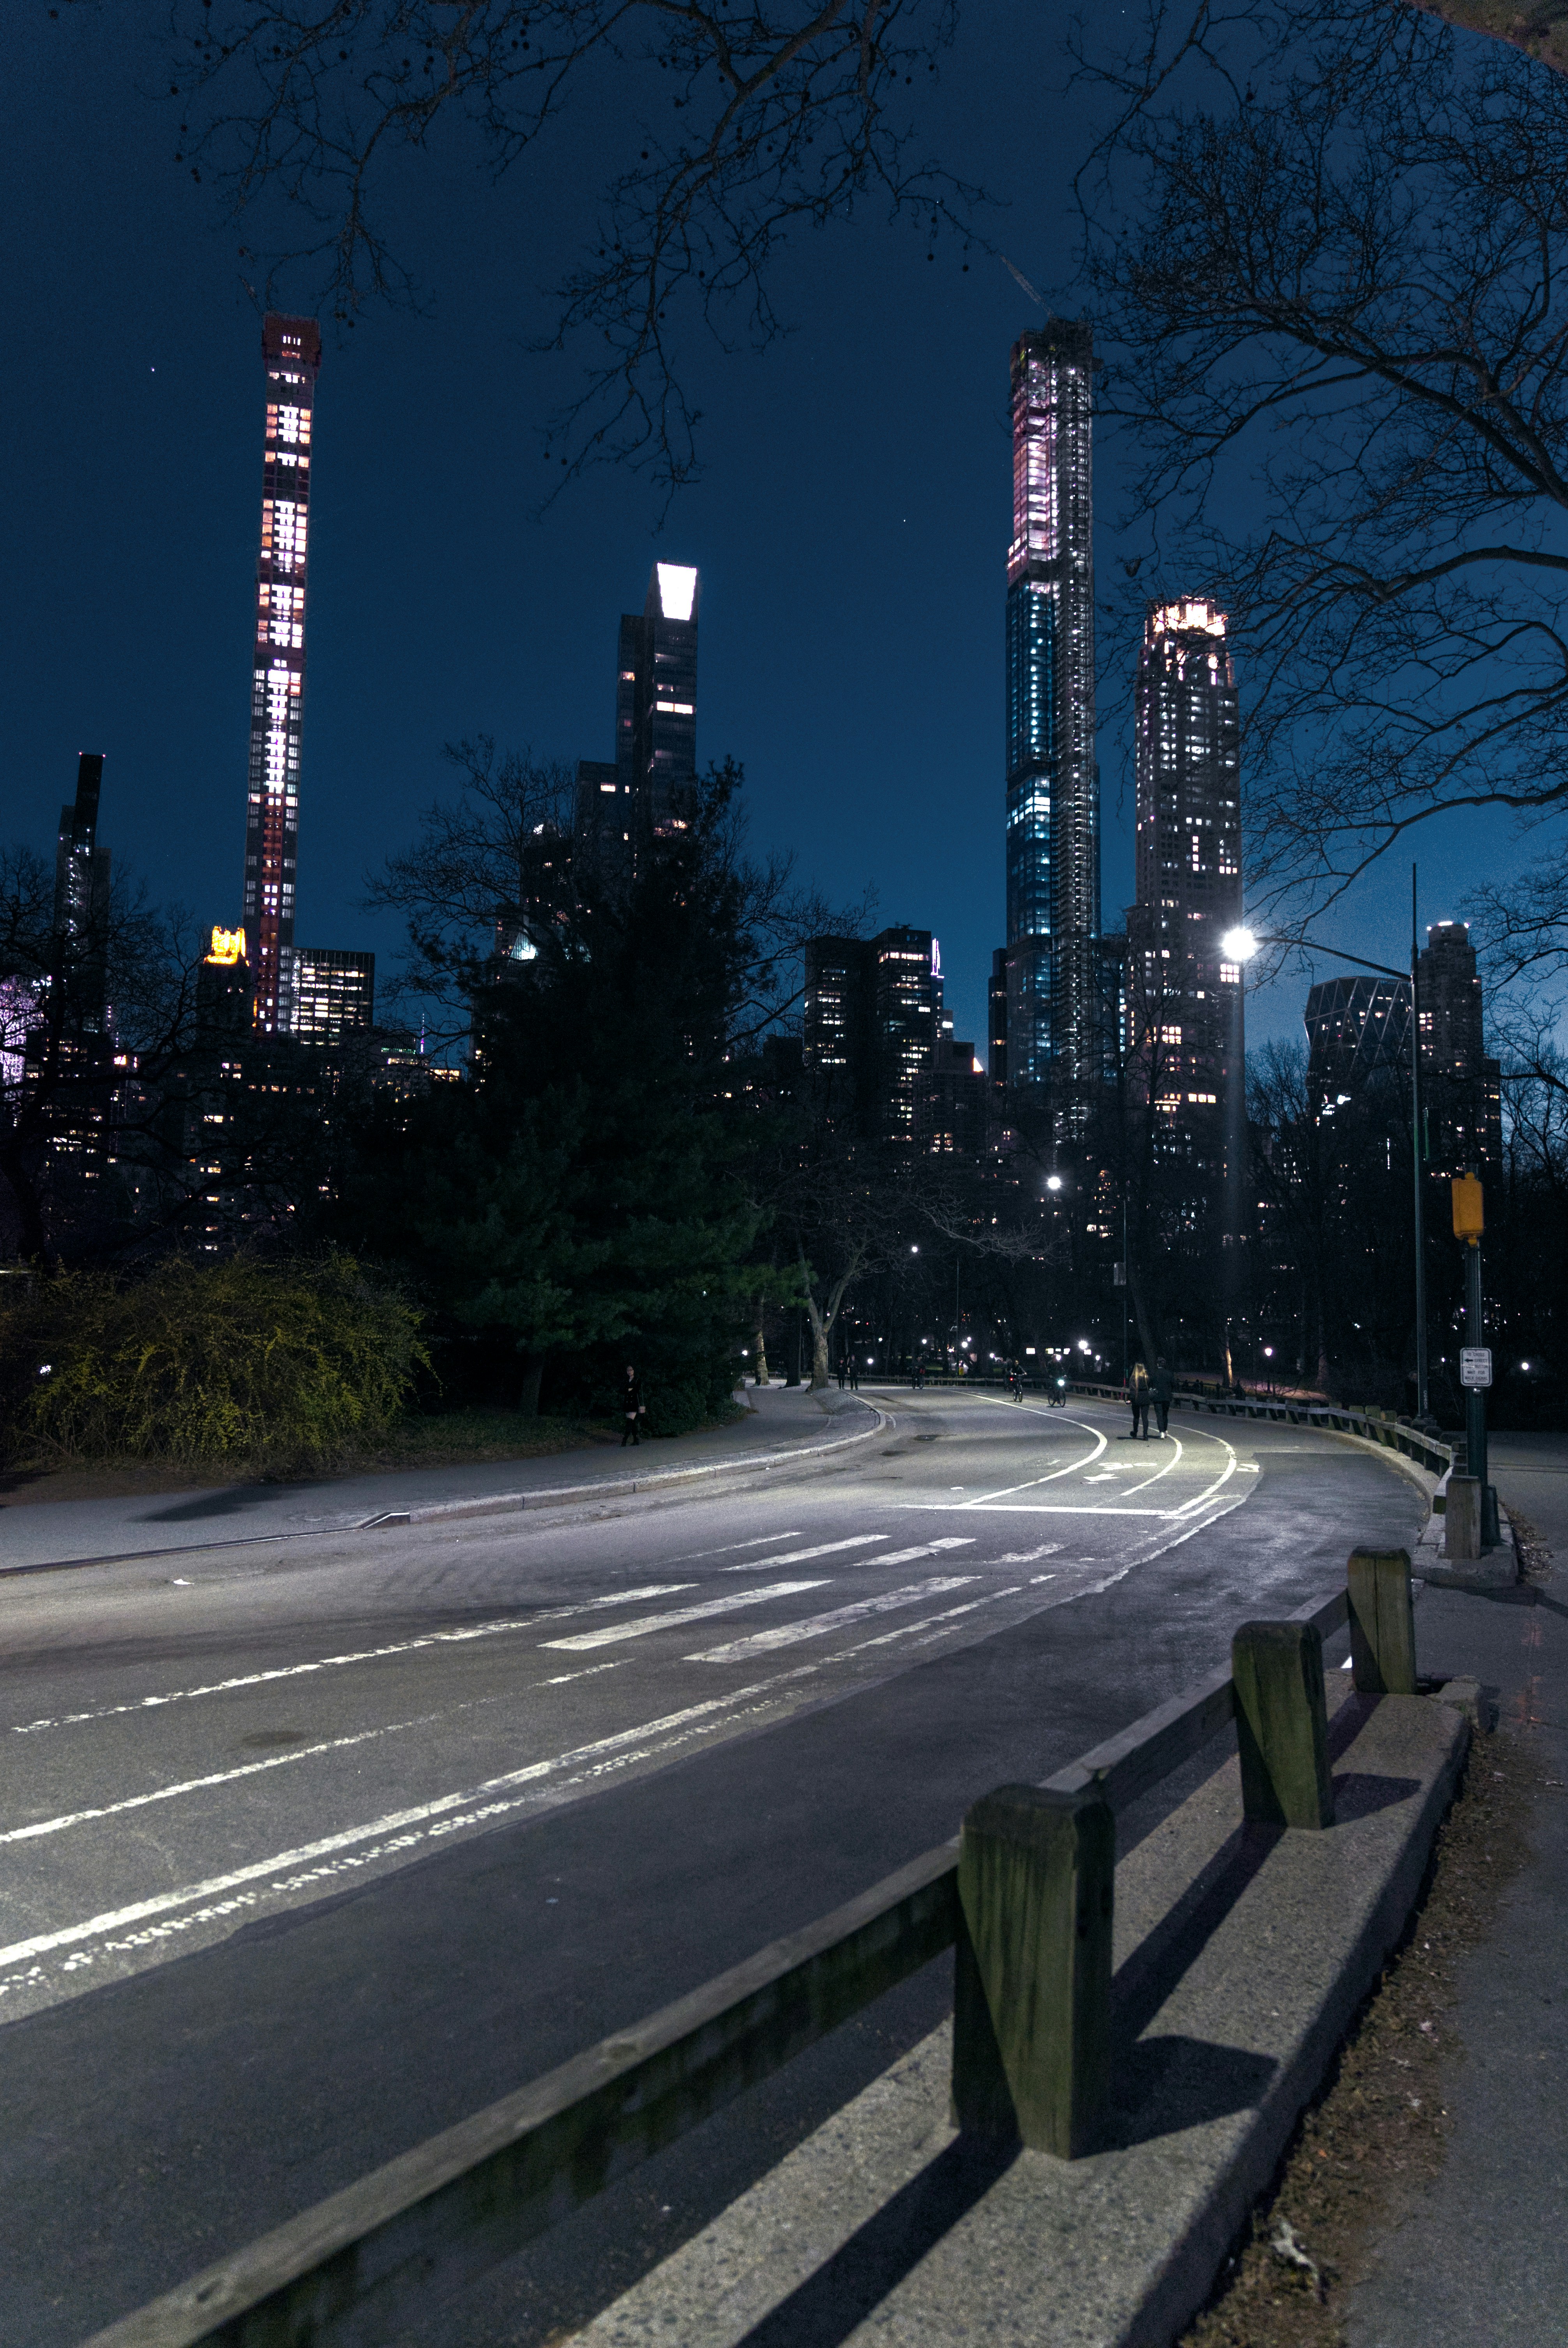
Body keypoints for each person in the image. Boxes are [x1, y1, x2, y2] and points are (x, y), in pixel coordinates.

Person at [619, 1364, 645, 1445]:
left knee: (629, 1421)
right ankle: (636, 1440)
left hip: (634, 1404)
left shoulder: (637, 1380)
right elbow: (622, 1390)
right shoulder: (626, 1381)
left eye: (631, 1370)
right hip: (627, 1404)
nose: (629, 1372)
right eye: (628, 1370)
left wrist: (629, 1390)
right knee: (633, 1423)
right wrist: (629, 1390)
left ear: (633, 1371)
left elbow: (637, 1390)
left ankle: (624, 1440)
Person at [1127, 1358, 1151, 1440]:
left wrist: (1131, 1399)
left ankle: (1135, 1432)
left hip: (1137, 1398)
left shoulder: (1134, 1378)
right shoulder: (1146, 1377)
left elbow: (1133, 1390)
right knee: (1145, 1417)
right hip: (1146, 1397)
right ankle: (1145, 1434)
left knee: (1136, 1417)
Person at [1151, 1356, 1174, 1438]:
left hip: (1157, 1397)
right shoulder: (1169, 1374)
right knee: (1165, 1414)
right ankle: (1165, 1430)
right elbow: (1173, 1384)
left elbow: (1151, 1383)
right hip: (1167, 1397)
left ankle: (1161, 1432)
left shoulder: (1155, 1373)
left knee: (1159, 1415)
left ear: (1158, 1364)